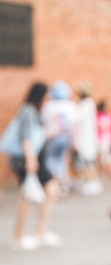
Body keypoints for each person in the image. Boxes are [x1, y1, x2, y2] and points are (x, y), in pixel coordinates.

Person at [8, 82, 61, 250]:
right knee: (28, 196)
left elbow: (35, 134)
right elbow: (25, 137)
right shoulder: (28, 110)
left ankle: (40, 231)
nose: (49, 97)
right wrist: (31, 159)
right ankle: (19, 236)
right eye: (47, 94)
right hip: (28, 160)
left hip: (34, 159)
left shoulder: (35, 110)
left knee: (50, 190)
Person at [41, 80, 77, 195]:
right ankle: (62, 183)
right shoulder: (70, 105)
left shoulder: (48, 106)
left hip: (52, 137)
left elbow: (44, 122)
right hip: (65, 136)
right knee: (63, 159)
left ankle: (54, 183)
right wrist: (75, 140)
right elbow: (74, 124)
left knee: (51, 160)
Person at [72, 81, 103, 195]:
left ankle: (93, 182)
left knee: (88, 162)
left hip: (86, 138)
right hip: (86, 138)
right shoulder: (87, 104)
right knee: (86, 162)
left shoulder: (86, 104)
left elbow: (77, 117)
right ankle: (90, 181)